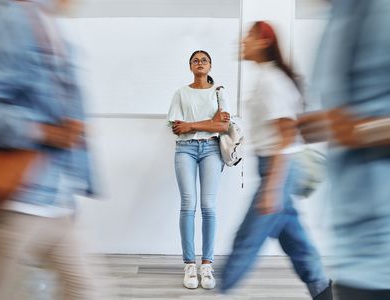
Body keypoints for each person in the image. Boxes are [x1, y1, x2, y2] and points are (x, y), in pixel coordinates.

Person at [0, 0, 97, 299]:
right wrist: (42, 131)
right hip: (19, 200)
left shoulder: (50, 26)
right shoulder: (11, 19)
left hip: (56, 199)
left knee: (86, 290)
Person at [219, 22, 332, 300]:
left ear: (262, 42)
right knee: (295, 240)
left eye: (248, 37)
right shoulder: (267, 78)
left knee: (247, 241)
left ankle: (220, 291)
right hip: (275, 167)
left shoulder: (272, 82)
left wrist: (272, 187)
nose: (242, 42)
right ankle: (322, 290)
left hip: (278, 168)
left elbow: (285, 135)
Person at [298, 1, 390, 299]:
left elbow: (352, 126)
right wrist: (322, 125)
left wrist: (356, 131)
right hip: (351, 245)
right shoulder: (337, 14)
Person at [167, 50, 231, 289]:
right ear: (190, 66)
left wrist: (192, 124)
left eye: (204, 60)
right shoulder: (181, 93)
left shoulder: (219, 92)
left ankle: (207, 264)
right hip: (185, 150)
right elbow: (177, 128)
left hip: (212, 150)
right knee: (187, 204)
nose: (200, 63)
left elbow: (222, 126)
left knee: (209, 207)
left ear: (210, 65)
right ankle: (189, 265)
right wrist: (209, 123)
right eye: (195, 60)